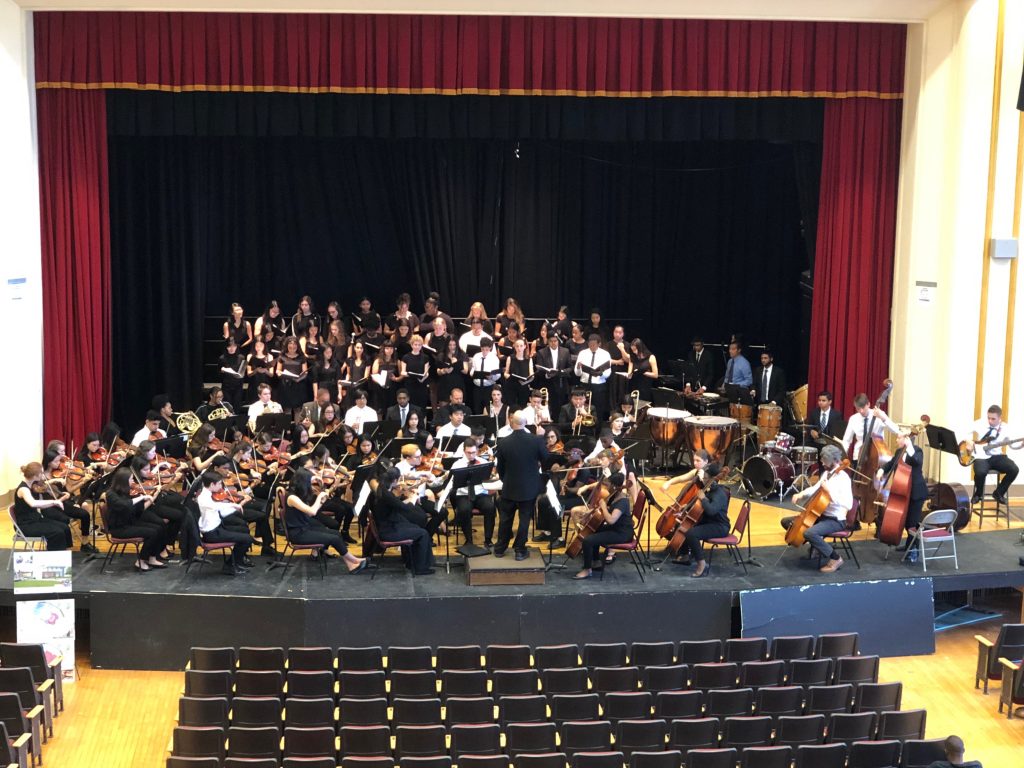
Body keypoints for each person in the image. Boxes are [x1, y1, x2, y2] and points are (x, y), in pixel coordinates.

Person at [783, 444, 853, 574]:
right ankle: (816, 547)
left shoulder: (844, 479)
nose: (822, 462)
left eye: (825, 460)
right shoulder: (827, 474)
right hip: (822, 515)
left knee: (809, 533)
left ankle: (835, 559)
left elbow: (848, 504)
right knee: (788, 523)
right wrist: (801, 494)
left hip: (836, 519)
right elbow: (815, 488)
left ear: (834, 461)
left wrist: (830, 493)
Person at [285, 468, 368, 573]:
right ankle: (354, 560)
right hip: (298, 533)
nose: (311, 485)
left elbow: (312, 508)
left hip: (304, 527)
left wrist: (318, 484)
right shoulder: (292, 497)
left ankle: (351, 564)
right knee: (334, 539)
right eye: (309, 482)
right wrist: (320, 497)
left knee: (336, 534)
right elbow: (312, 512)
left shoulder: (299, 493)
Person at [494, 411, 549, 560]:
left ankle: (500, 548)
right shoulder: (535, 440)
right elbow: (545, 458)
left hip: (509, 486)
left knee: (505, 519)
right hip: (529, 487)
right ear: (526, 423)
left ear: (512, 422)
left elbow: (500, 468)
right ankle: (519, 550)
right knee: (524, 519)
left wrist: (506, 480)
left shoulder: (503, 442)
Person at [104, 467, 170, 571]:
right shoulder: (111, 494)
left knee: (159, 527)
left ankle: (152, 558)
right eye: (131, 479)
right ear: (124, 481)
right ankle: (141, 561)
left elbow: (140, 510)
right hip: (119, 529)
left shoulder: (127, 492)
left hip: (130, 523)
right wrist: (141, 498)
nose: (133, 481)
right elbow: (124, 505)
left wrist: (154, 496)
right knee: (152, 533)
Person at [372, 467, 436, 575]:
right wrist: (412, 497)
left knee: (416, 528)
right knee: (423, 533)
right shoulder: (387, 495)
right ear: (395, 480)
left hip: (387, 526)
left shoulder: (382, 488)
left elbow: (396, 504)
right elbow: (404, 508)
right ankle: (421, 567)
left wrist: (406, 497)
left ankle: (410, 562)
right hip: (388, 531)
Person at [571, 473, 632, 580]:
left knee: (587, 541)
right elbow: (607, 512)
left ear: (613, 485)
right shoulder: (614, 495)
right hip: (616, 529)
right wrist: (591, 512)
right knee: (594, 530)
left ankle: (587, 570)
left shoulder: (622, 501)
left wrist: (603, 507)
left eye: (608, 485)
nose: (606, 487)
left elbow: (611, 520)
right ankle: (595, 561)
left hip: (622, 533)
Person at [196, 470, 255, 576]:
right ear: (212, 484)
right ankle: (229, 565)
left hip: (218, 528)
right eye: (219, 484)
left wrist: (240, 504)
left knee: (243, 530)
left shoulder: (210, 495)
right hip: (212, 534)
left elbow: (222, 513)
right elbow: (216, 506)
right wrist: (233, 505)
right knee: (248, 539)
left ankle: (238, 562)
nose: (221, 486)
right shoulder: (203, 498)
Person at [878, 433, 928, 552]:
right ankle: (909, 546)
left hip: (916, 493)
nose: (896, 440)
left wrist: (909, 446)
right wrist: (881, 469)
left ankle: (913, 550)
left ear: (906, 439)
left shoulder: (917, 451)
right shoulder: (899, 452)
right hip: (903, 492)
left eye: (899, 438)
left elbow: (916, 461)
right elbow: (891, 464)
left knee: (912, 522)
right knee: (905, 521)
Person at [963, 404, 1020, 504]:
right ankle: (978, 493)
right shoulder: (980, 423)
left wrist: (1021, 445)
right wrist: (969, 442)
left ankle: (999, 493)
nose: (990, 421)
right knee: (980, 472)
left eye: (993, 419)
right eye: (988, 418)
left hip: (997, 456)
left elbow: (1012, 445)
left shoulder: (1006, 428)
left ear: (1000, 418)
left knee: (1014, 469)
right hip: (981, 456)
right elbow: (963, 432)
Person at [13, 462, 74, 550]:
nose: (43, 475)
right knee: (57, 532)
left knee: (64, 527)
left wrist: (58, 501)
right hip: (26, 525)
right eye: (41, 473)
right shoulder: (23, 489)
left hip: (36, 519)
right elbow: (33, 503)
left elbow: (41, 505)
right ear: (34, 476)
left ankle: (63, 554)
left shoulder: (34, 486)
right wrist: (54, 502)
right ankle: (54, 559)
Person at [449, 440, 497, 549]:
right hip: (464, 494)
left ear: (477, 451)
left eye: (474, 452)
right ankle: (469, 541)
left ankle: (488, 540)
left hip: (480, 494)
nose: (471, 455)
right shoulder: (457, 464)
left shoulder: (483, 462)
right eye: (468, 453)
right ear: (464, 451)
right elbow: (452, 483)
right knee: (464, 510)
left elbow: (488, 480)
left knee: (490, 507)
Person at [842, 393, 900, 466]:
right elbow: (847, 440)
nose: (861, 411)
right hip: (858, 457)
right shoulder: (853, 419)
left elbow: (895, 430)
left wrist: (883, 418)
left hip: (876, 456)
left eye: (863, 408)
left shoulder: (879, 414)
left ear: (868, 404)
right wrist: (842, 456)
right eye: (858, 409)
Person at [575, 334, 612, 422]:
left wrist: (600, 374)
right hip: (585, 384)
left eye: (594, 344)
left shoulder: (605, 354)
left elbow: (608, 372)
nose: (591, 346)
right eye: (590, 344)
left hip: (599, 386)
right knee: (583, 408)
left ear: (599, 344)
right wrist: (579, 367)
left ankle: (597, 431)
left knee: (598, 409)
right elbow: (577, 373)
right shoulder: (583, 353)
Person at [536, 333, 571, 417]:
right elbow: (539, 369)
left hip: (561, 383)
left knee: (561, 406)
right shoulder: (541, 352)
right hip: (548, 383)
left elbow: (570, 367)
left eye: (555, 341)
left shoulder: (565, 351)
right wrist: (547, 375)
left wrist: (562, 371)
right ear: (548, 342)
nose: (553, 343)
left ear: (558, 341)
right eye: (551, 341)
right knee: (549, 407)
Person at [469, 338, 502, 414]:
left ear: (490, 348)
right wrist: (472, 374)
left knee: (489, 409)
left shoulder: (494, 358)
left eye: (487, 349)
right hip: (477, 387)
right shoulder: (476, 356)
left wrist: (492, 377)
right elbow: (473, 369)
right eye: (482, 349)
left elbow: (498, 374)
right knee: (477, 408)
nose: (484, 351)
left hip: (489, 388)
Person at [219, 337, 246, 409]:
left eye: (234, 346)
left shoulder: (241, 357)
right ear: (226, 347)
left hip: (238, 386)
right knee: (227, 406)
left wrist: (239, 375)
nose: (232, 348)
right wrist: (222, 369)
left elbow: (243, 373)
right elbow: (219, 373)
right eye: (229, 346)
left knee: (237, 406)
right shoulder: (222, 358)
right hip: (226, 386)